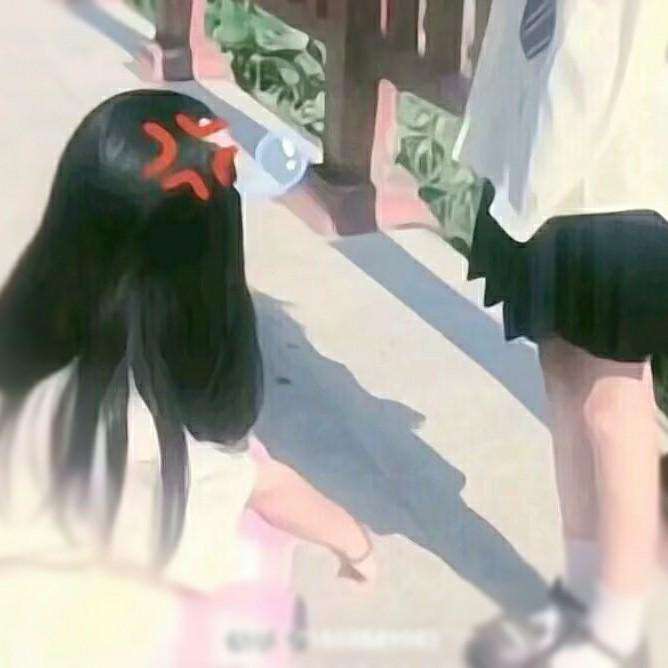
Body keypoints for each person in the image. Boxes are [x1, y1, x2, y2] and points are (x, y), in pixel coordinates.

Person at [0, 89, 375, 665]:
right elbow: (268, 487)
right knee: (254, 554)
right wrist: (356, 545)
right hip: (134, 639)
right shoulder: (177, 437)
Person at [454, 1, 668, 666]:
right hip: (540, 136)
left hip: (632, 154)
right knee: (562, 378)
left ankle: (618, 625)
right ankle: (580, 592)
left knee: (612, 403)